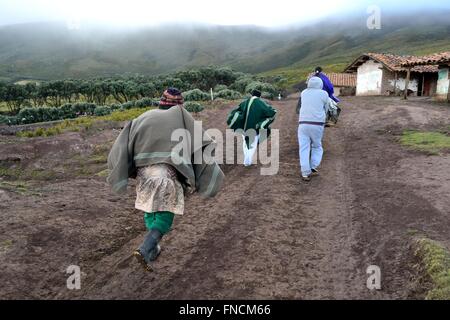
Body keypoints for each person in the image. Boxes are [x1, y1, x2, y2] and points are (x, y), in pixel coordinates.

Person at [107, 87, 224, 272]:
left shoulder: (142, 118)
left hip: (144, 175)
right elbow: (203, 144)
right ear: (180, 105)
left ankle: (153, 250)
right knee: (166, 215)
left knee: (150, 208)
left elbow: (122, 145)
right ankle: (145, 249)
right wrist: (206, 174)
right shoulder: (181, 116)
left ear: (161, 102)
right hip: (167, 174)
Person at [227, 89, 277, 167]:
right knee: (252, 145)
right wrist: (274, 110)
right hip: (254, 128)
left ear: (252, 95)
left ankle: (246, 160)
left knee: (245, 144)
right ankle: (247, 162)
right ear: (259, 96)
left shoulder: (245, 102)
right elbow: (270, 112)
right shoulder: (260, 103)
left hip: (243, 128)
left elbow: (238, 110)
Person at [298, 77, 330, 182]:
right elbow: (326, 108)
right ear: (320, 84)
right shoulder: (324, 94)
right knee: (317, 146)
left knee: (303, 148)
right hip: (317, 124)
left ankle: (305, 173)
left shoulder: (303, 93)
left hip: (302, 123)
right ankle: (313, 165)